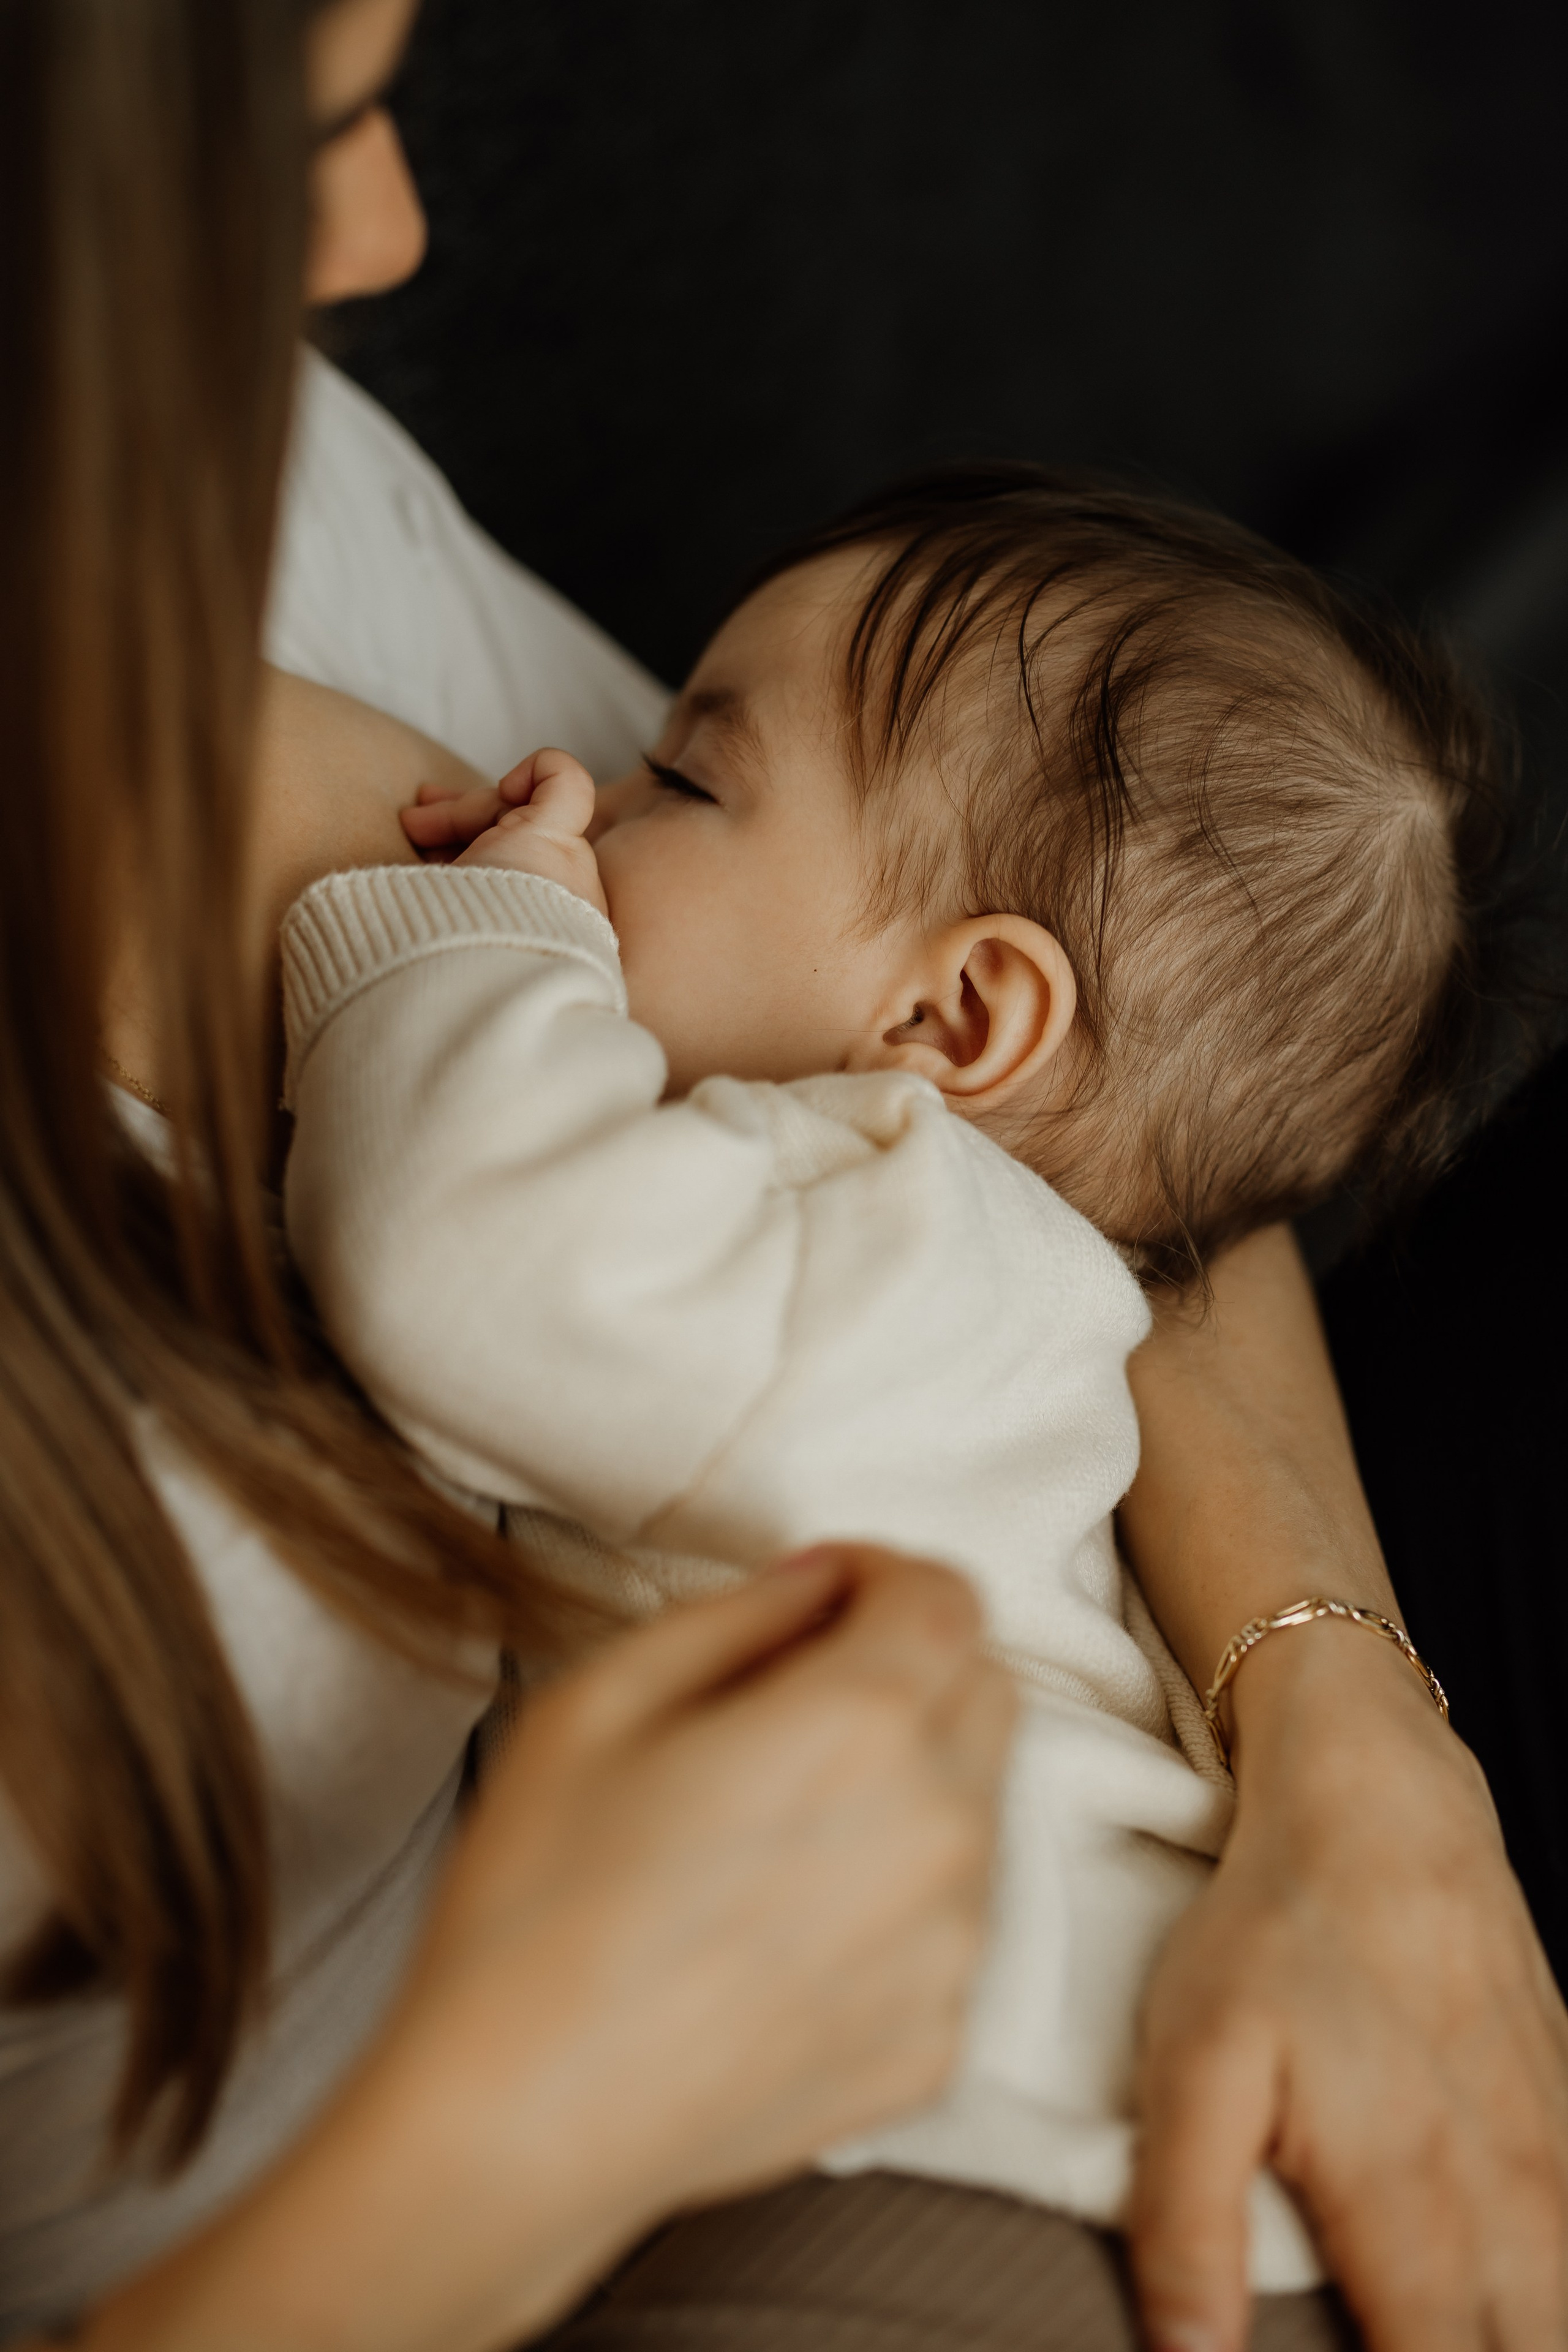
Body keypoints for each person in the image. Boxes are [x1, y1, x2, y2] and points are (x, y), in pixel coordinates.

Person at [2, 4, 1564, 2351]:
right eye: (312, 123)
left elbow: (1140, 1120)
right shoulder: (860, 1161)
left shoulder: (894, 1219)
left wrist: (1354, 1742)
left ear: (956, 1030)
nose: (390, 231)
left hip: (1001, 2135)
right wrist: (536, 2114)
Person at [277, 464, 1498, 2304]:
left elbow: (464, 1255)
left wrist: (486, 922)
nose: (588, 798)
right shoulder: (980, 1296)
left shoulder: (910, 1253)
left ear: (951, 1024)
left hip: (989, 2157)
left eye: (684, 784)